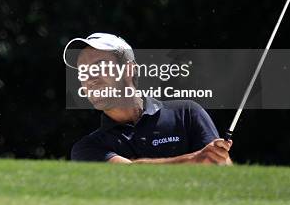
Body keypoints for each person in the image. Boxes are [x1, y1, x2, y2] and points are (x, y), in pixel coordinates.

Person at [63, 33, 232, 164]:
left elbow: (222, 176)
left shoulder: (187, 113)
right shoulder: (87, 148)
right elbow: (130, 175)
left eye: (99, 66)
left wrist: (215, 159)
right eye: (82, 71)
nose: (89, 78)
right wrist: (195, 160)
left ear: (128, 70)